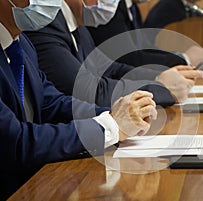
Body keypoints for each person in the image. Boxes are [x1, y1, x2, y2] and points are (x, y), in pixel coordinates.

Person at [0, 0, 158, 199]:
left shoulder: (22, 43)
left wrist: (117, 115)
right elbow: (16, 143)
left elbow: (51, 103)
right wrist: (109, 127)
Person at [25, 0, 203, 108]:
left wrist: (161, 75)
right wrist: (161, 88)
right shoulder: (45, 24)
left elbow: (111, 69)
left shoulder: (76, 23)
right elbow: (88, 91)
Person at [87, 0, 203, 67]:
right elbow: (129, 59)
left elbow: (146, 50)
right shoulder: (108, 11)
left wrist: (182, 57)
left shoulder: (133, 8)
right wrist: (184, 59)